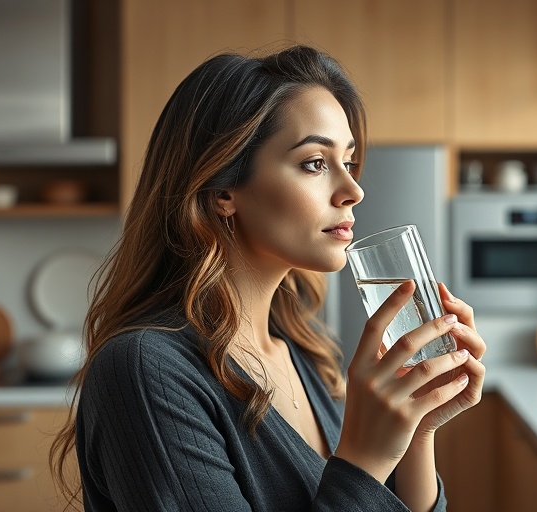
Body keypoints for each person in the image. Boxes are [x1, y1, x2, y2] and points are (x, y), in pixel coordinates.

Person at [50, 44, 486, 511]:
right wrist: (366, 459)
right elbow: (357, 485)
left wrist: (415, 433)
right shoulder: (144, 370)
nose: (353, 190)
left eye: (350, 162)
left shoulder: (304, 347)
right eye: (315, 163)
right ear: (222, 190)